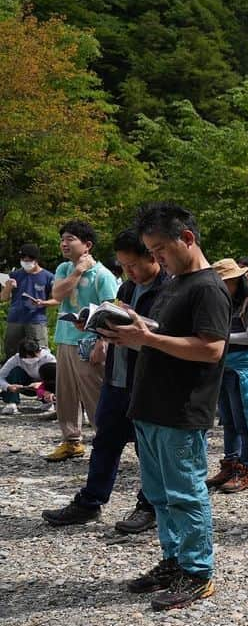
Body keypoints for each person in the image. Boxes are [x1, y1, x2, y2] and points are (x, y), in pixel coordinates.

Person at [102, 202, 231, 611]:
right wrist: (128, 324)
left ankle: (198, 572)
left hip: (181, 407)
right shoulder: (175, 283)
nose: (155, 259)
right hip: (150, 404)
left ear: (187, 239)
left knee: (185, 493)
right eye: (151, 252)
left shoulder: (208, 287)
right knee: (159, 495)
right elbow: (162, 333)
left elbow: (211, 349)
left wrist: (151, 339)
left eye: (159, 250)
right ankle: (174, 561)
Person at [41, 230, 164, 531]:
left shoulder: (168, 290)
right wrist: (96, 326)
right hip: (117, 377)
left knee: (147, 447)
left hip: (145, 382)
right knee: (105, 440)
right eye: (123, 266)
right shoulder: (127, 288)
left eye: (132, 265)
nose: (128, 272)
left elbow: (164, 337)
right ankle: (90, 502)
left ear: (152, 256)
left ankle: (149, 505)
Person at [48, 221, 119, 462]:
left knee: (94, 394)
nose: (64, 244)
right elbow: (57, 295)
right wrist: (77, 271)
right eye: (63, 239)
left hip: (90, 341)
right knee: (65, 393)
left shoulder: (102, 275)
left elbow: (111, 310)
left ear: (87, 245)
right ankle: (71, 441)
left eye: (70, 239)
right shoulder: (63, 269)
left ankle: (105, 443)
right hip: (65, 339)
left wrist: (103, 341)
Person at [205, 258, 248, 493]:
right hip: (223, 365)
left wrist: (219, 336)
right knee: (228, 419)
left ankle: (246, 469)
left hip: (243, 366)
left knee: (246, 420)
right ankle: (230, 463)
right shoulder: (226, 301)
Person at [2, 243, 55, 360]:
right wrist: (8, 287)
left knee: (39, 353)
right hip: (15, 320)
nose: (26, 262)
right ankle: (13, 377)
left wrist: (43, 303)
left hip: (36, 320)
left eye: (28, 260)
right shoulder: (14, 275)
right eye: (23, 259)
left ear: (36, 260)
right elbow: (3, 298)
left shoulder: (48, 276)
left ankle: (39, 377)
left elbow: (56, 300)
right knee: (12, 353)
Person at [1, 339, 56, 416]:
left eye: (33, 356)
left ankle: (49, 401)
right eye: (27, 358)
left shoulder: (48, 358)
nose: (30, 360)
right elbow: (1, 376)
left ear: (38, 351)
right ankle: (12, 402)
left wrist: (41, 384)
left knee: (49, 370)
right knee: (15, 371)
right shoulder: (16, 359)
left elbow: (59, 378)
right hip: (26, 386)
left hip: (45, 386)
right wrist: (8, 386)